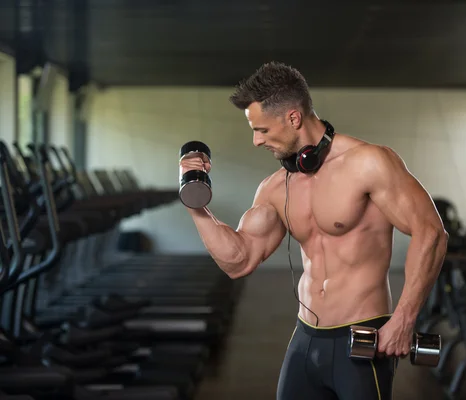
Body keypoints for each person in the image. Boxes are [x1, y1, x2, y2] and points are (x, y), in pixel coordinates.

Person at [180, 61, 448, 400]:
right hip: (306, 339)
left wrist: (405, 318)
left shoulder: (369, 163)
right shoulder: (276, 187)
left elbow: (432, 233)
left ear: (293, 117)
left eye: (261, 129)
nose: (255, 141)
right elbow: (240, 261)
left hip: (363, 337)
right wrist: (196, 205)